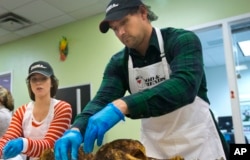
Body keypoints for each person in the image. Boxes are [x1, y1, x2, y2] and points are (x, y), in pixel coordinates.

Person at [54, 0, 229, 159]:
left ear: (143, 13)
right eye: (115, 28)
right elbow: (102, 99)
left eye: (124, 22)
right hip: (156, 149)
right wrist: (76, 129)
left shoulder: (182, 40)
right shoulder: (118, 63)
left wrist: (123, 105)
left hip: (198, 145)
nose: (121, 32)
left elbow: (185, 85)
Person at [0, 61, 72, 160]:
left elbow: (50, 146)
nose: (38, 82)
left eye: (43, 78)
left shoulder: (62, 108)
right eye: (34, 79)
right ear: (30, 84)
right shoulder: (22, 111)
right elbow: (8, 138)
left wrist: (23, 144)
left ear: (52, 82)